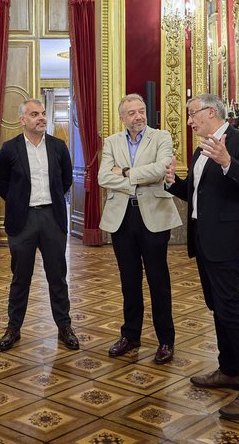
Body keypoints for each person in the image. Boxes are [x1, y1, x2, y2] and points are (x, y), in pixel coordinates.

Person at [165, 93, 239, 420]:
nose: (190, 121)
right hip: (204, 240)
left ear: (211, 111)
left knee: (230, 310)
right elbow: (196, 195)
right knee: (218, 307)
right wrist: (173, 184)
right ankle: (229, 369)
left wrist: (227, 162)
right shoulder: (202, 148)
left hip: (227, 241)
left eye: (193, 114)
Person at [98, 93, 181, 365]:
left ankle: (165, 340)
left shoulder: (161, 137)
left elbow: (161, 170)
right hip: (122, 218)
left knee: (159, 280)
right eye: (132, 112)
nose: (139, 116)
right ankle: (130, 335)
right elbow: (102, 177)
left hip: (154, 217)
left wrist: (124, 173)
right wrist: (137, 178)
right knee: (129, 280)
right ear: (122, 118)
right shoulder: (111, 142)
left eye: (141, 110)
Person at [0, 99, 78, 352]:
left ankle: (64, 326)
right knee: (20, 277)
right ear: (22, 120)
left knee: (58, 276)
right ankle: (13, 327)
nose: (41, 118)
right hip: (23, 221)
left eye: (42, 113)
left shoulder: (58, 146)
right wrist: (20, 202)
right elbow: (1, 183)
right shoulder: (9, 149)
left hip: (52, 218)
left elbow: (66, 179)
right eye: (34, 114)